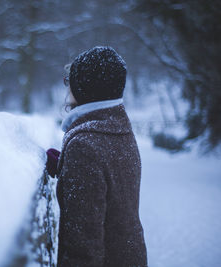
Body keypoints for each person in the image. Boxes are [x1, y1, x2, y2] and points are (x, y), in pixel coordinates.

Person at [46, 46, 148, 267]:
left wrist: (76, 161)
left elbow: (82, 245)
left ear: (85, 87)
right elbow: (110, 177)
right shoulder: (119, 128)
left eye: (69, 81)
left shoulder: (84, 147)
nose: (67, 87)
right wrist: (66, 166)